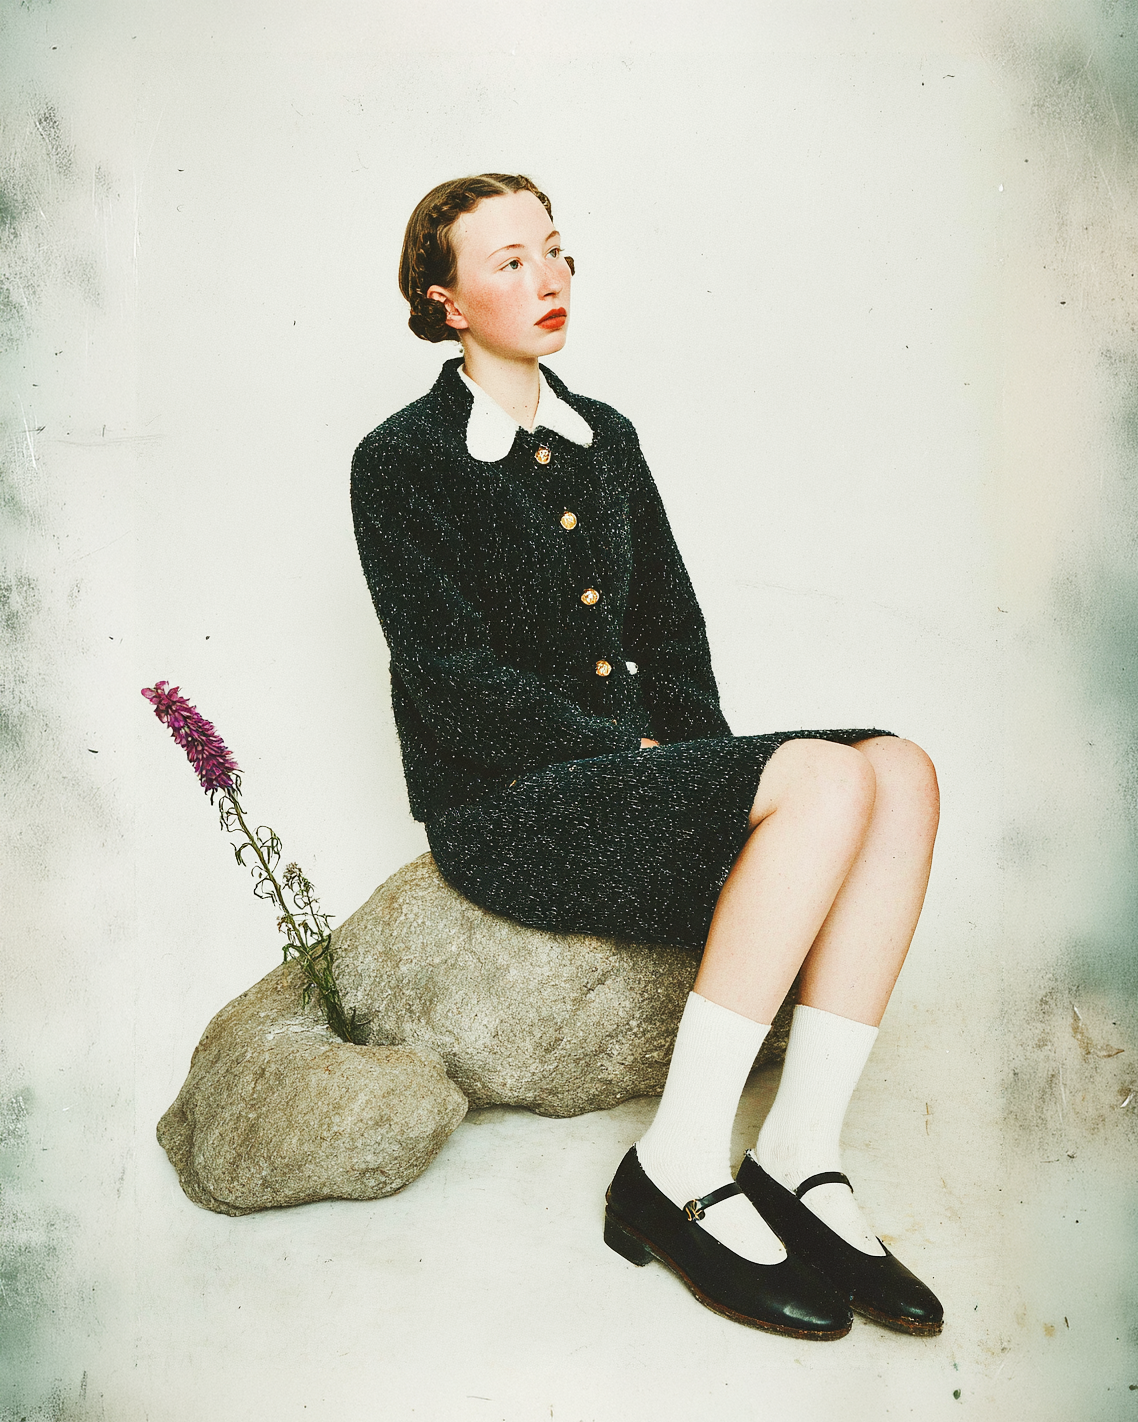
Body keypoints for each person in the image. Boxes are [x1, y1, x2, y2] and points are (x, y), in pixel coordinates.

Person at [350, 173, 943, 1341]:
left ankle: (798, 1155)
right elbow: (450, 681)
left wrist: (699, 782)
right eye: (508, 261)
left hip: (630, 780)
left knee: (902, 768)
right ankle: (672, 1167)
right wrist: (641, 760)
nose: (548, 277)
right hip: (506, 805)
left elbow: (672, 632)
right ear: (446, 301)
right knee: (826, 774)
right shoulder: (398, 460)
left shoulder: (605, 436)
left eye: (555, 251)